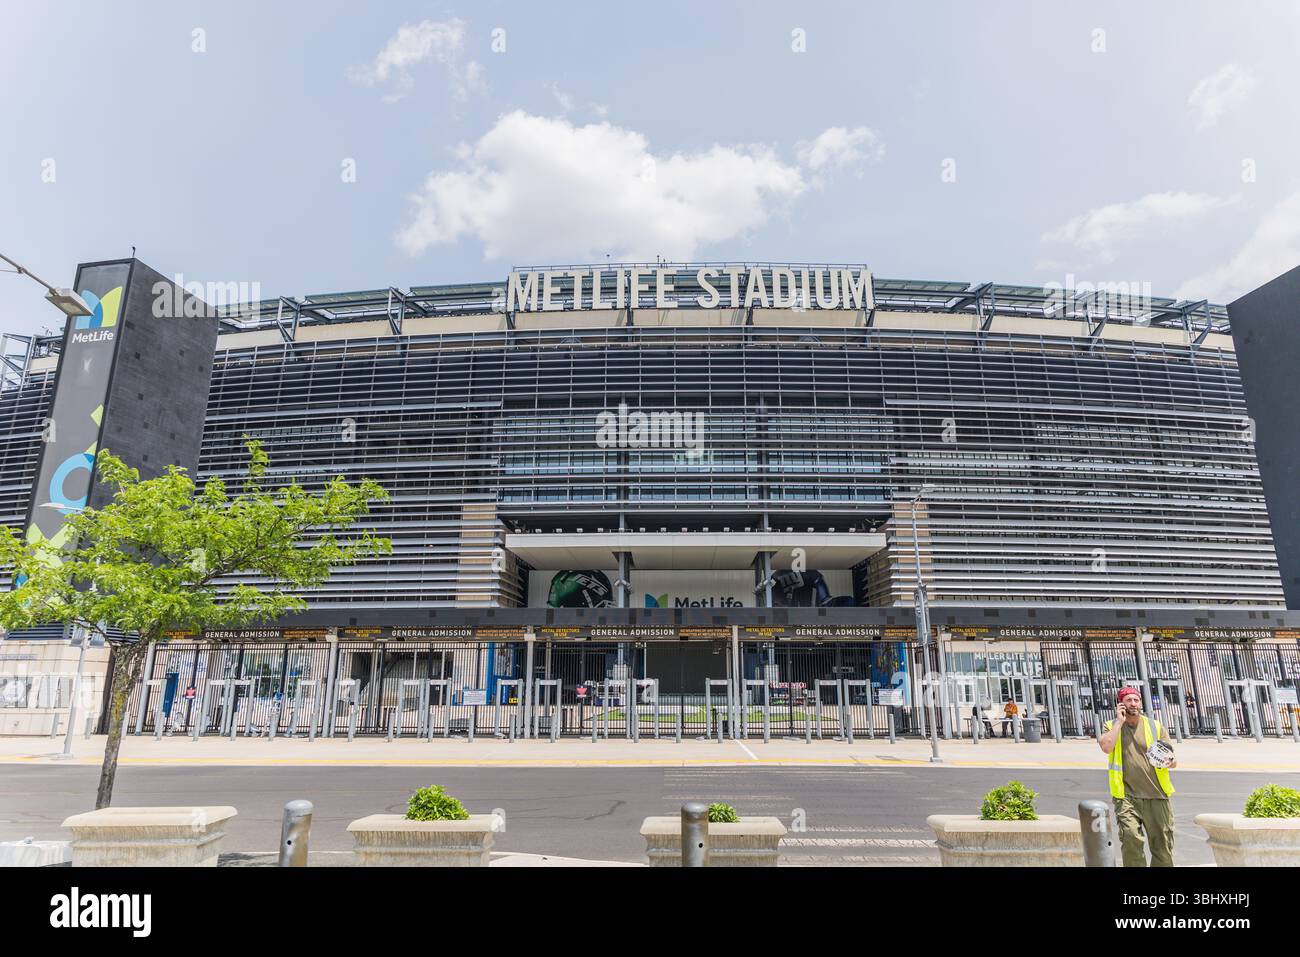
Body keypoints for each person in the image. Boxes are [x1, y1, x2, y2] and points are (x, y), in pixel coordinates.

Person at [1098, 687, 1177, 867]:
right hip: (1127, 797)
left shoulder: (1155, 726)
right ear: (1120, 704)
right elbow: (1106, 747)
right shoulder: (1111, 726)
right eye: (1128, 700)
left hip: (1157, 795)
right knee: (1131, 839)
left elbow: (1172, 760)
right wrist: (1119, 722)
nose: (1133, 703)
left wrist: (1169, 761)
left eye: (1136, 700)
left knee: (1162, 845)